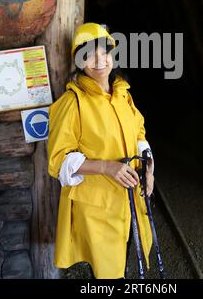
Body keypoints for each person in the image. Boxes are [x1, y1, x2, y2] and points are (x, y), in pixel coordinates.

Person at [47, 22, 155, 279]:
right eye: (88, 54)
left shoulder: (123, 96)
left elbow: (139, 134)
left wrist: (149, 169)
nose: (99, 60)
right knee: (107, 272)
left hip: (131, 199)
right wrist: (106, 167)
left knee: (131, 255)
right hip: (98, 206)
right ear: (79, 62)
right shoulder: (72, 103)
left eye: (104, 52)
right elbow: (58, 160)